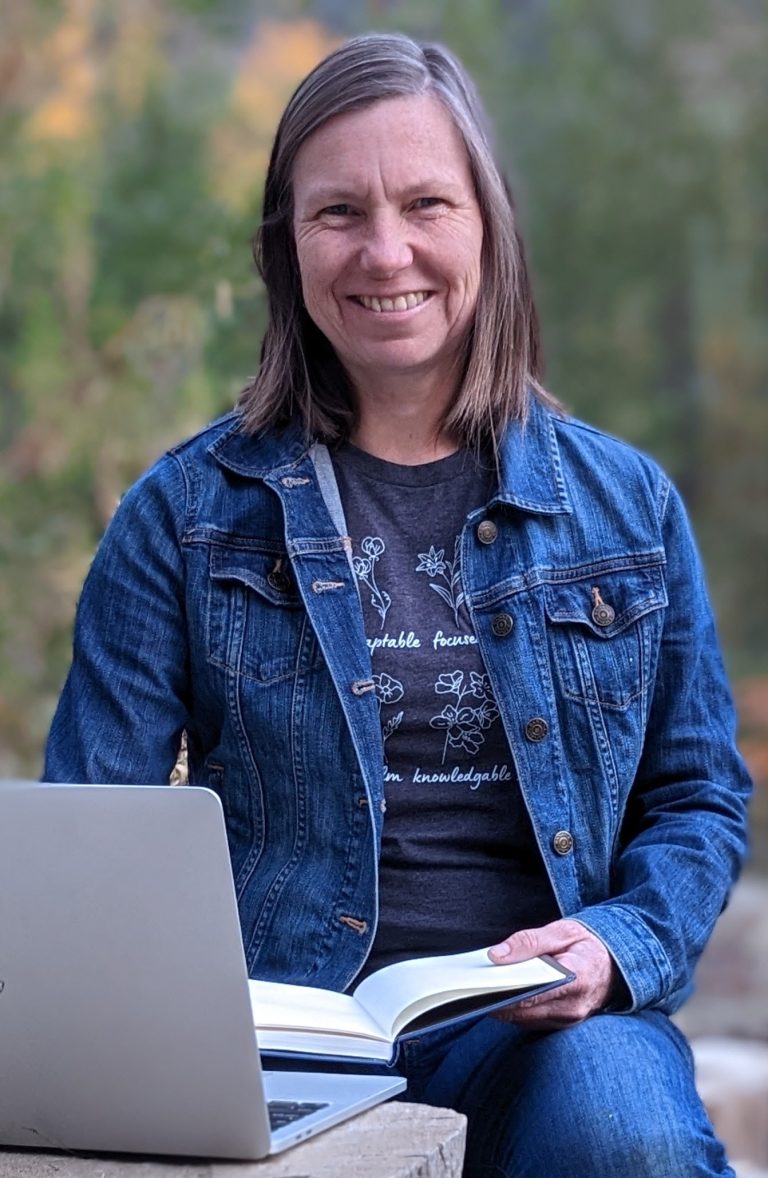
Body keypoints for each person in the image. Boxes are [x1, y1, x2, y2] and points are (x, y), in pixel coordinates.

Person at [45, 32, 751, 1177]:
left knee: (630, 1141)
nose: (387, 251)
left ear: (488, 227)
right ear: (287, 245)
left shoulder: (625, 508)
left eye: (427, 201)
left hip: (548, 1033)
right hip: (274, 1037)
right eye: (339, 214)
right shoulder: (182, 516)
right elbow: (92, 834)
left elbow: (699, 794)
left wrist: (618, 943)